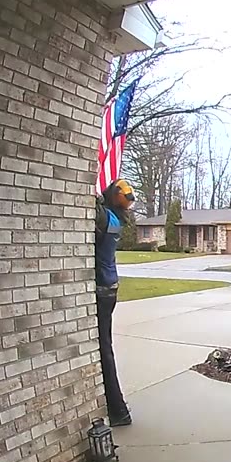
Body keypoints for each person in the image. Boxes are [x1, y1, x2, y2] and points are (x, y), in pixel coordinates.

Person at [95, 178, 135, 426]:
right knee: (105, 346)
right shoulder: (116, 218)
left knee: (104, 348)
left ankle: (118, 410)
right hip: (110, 288)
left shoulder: (105, 218)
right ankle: (118, 408)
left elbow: (93, 210)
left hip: (101, 290)